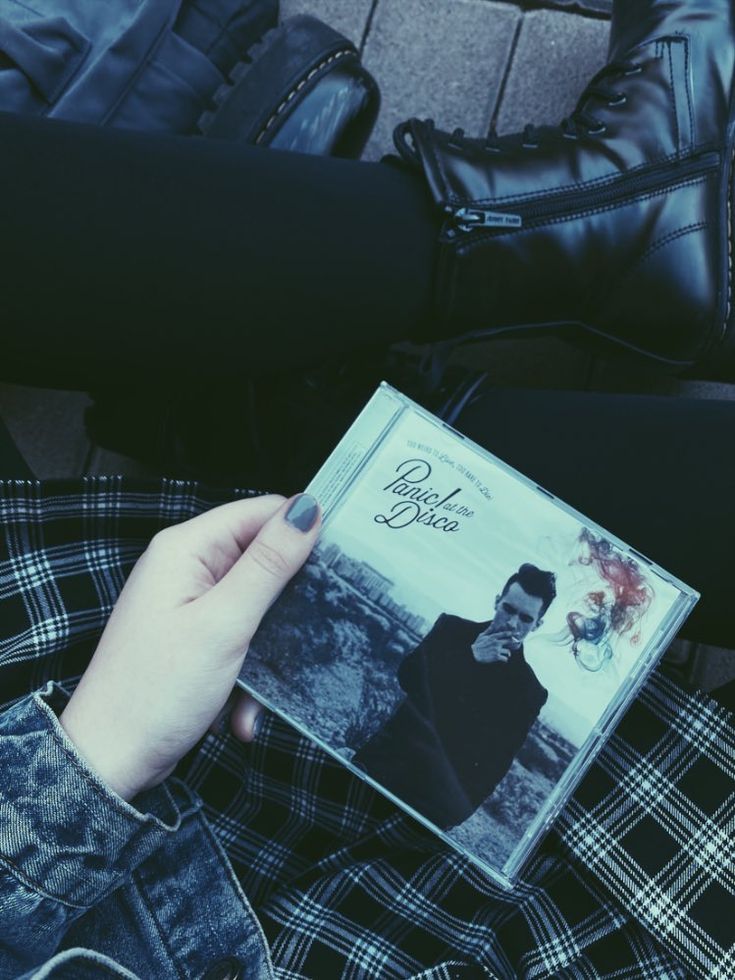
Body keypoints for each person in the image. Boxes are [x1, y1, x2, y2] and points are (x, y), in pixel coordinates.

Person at [1, 0, 734, 975]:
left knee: (319, 490)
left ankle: (565, 231)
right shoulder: (505, 670)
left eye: (521, 601)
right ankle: (563, 227)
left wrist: (84, 763)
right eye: (516, 598)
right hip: (285, 892)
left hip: (111, 732)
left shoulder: (500, 661)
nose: (514, 613)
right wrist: (86, 774)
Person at [353, 564, 557, 829]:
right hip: (380, 765)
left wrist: (447, 819)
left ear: (537, 624)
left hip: (428, 806)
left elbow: (494, 767)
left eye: (526, 619)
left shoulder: (530, 691)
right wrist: (469, 658)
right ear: (497, 602)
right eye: (508, 609)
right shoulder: (451, 629)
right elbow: (408, 676)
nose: (512, 623)